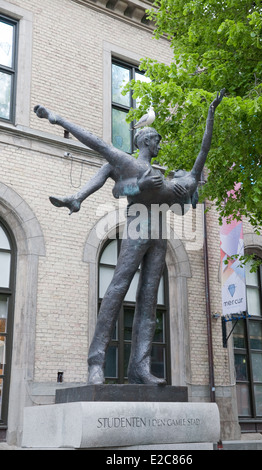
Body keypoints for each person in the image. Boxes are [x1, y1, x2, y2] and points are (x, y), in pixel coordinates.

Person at [34, 88, 225, 385]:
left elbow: (204, 151)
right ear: (147, 140)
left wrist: (211, 113)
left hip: (159, 234)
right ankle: (96, 362)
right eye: (157, 138)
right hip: (137, 228)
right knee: (117, 289)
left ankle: (140, 366)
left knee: (149, 300)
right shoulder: (133, 166)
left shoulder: (174, 180)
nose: (161, 142)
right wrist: (56, 119)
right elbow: (99, 148)